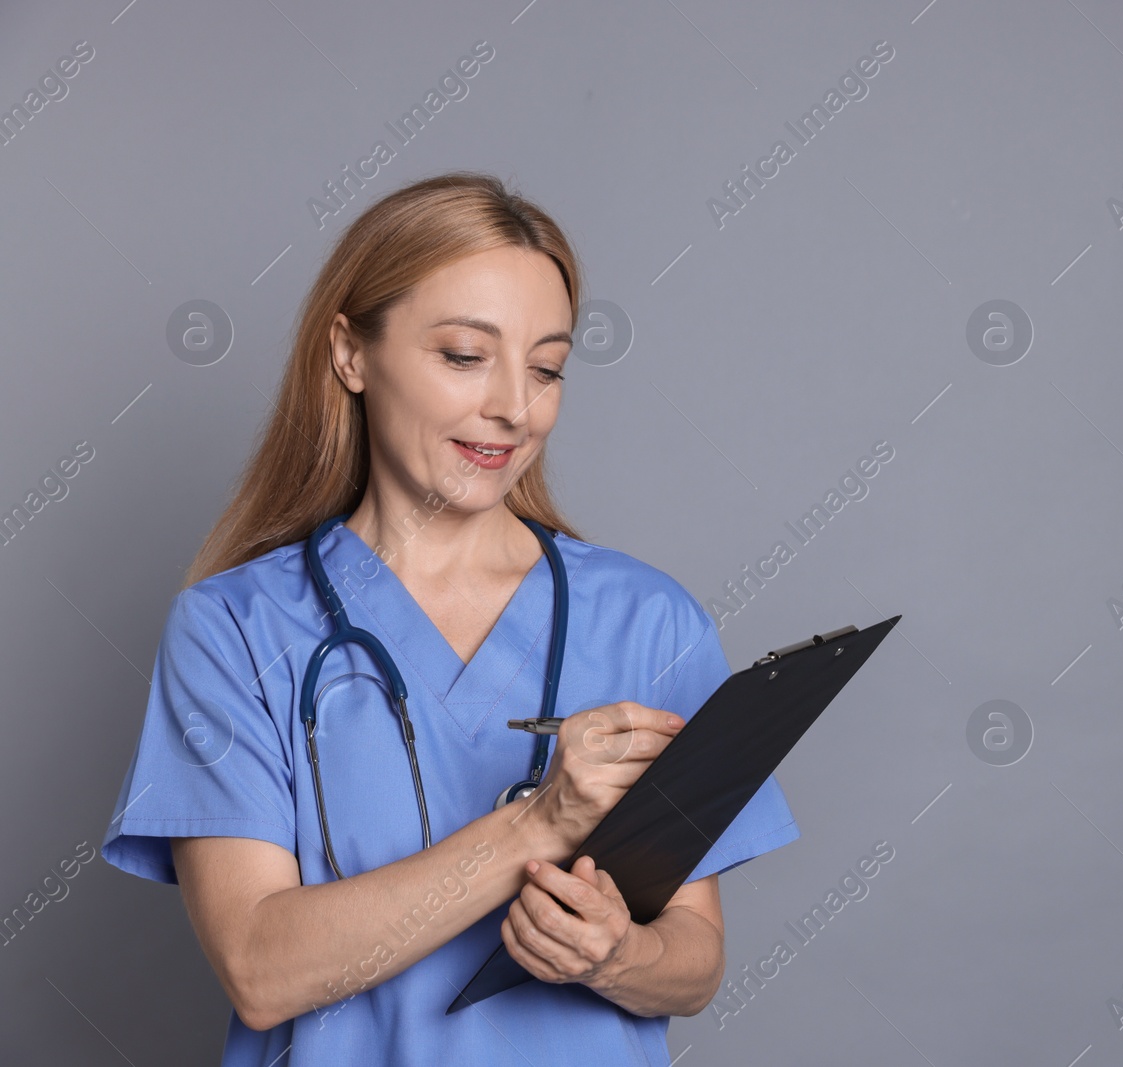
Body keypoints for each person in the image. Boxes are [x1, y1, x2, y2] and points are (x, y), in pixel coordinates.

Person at [101, 172, 799, 1065]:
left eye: (546, 367)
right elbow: (258, 968)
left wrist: (620, 955)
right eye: (467, 355)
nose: (514, 405)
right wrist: (538, 824)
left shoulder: (649, 620)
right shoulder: (233, 630)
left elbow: (695, 964)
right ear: (351, 354)